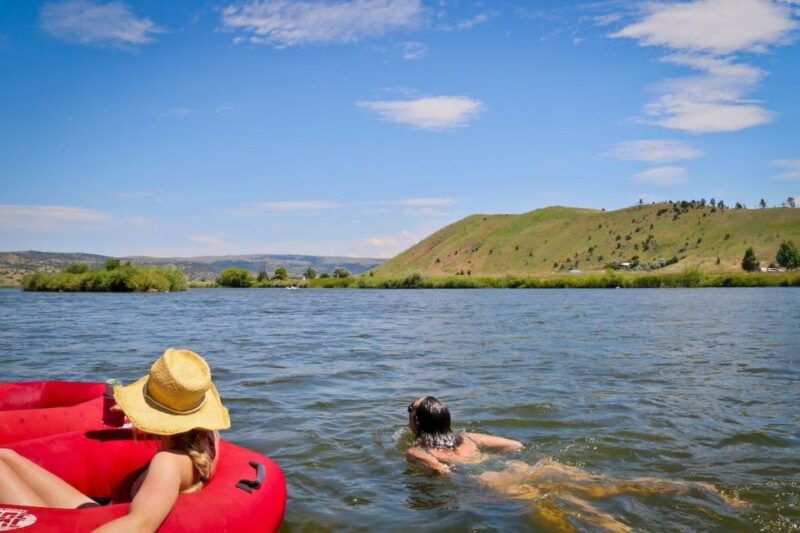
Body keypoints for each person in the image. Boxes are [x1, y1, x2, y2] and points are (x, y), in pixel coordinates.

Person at [405, 396, 745, 533]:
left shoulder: (417, 450)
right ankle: (698, 489)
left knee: (584, 516)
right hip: (530, 469)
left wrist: (463, 485)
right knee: (616, 483)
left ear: (418, 423)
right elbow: (515, 445)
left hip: (499, 484)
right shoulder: (469, 437)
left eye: (410, 409)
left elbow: (442, 472)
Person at [0, 348, 230, 533]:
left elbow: (139, 526)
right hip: (100, 513)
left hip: (96, 527)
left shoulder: (168, 462)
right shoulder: (208, 437)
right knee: (5, 456)